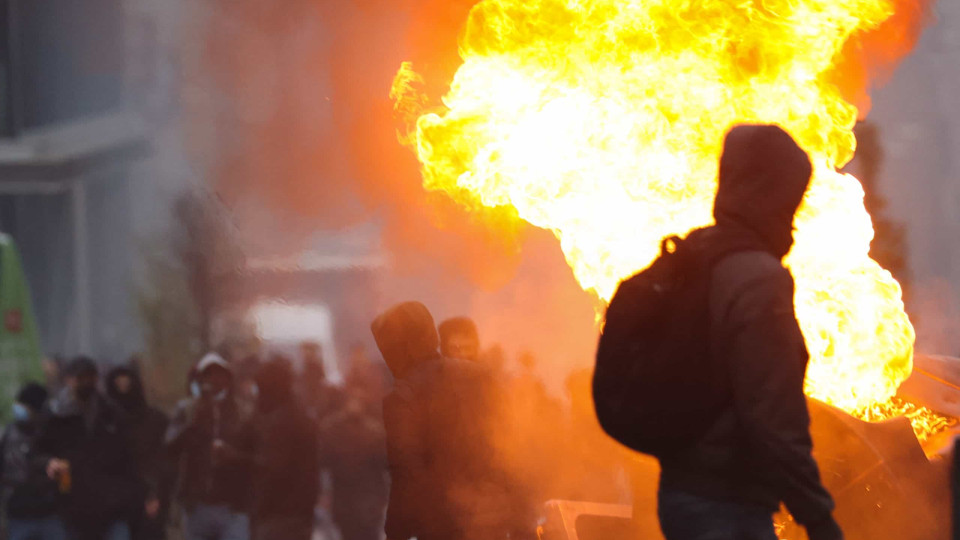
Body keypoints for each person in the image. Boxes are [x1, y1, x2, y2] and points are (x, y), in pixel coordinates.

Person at [655, 125, 842, 540]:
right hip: (728, 504)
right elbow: (772, 413)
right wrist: (818, 516)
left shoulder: (697, 256)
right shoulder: (756, 278)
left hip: (679, 492)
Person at [373, 302, 531, 540]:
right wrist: (521, 522)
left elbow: (407, 474)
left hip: (443, 526)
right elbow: (510, 451)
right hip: (494, 521)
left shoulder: (403, 397)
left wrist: (396, 533)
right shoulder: (481, 376)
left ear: (398, 348)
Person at [41, 357, 141, 540]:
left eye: (90, 377)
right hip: (72, 509)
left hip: (112, 509)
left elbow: (130, 458)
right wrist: (49, 463)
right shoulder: (54, 414)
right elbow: (38, 451)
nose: (86, 383)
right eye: (81, 378)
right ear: (69, 380)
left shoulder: (110, 412)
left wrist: (128, 496)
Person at [165, 353, 253, 540]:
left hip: (232, 506)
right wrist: (194, 419)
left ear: (229, 380)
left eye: (220, 375)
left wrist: (232, 455)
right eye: (209, 375)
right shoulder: (186, 409)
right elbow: (170, 446)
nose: (214, 381)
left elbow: (254, 455)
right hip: (197, 505)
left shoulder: (243, 411)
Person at [319, 347, 389, 540]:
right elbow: (324, 462)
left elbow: (385, 463)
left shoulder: (373, 428)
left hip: (363, 499)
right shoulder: (333, 428)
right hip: (351, 498)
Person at [249, 357, 320, 540]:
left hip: (279, 517)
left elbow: (273, 468)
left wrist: (235, 457)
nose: (258, 395)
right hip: (299, 516)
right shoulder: (301, 416)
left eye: (261, 388)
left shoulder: (282, 423)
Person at [106, 366, 171, 540]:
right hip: (115, 506)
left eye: (126, 383)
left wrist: (154, 493)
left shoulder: (156, 420)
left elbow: (164, 460)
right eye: (118, 384)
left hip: (149, 501)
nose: (123, 389)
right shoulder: (103, 424)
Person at [0, 383, 67, 540]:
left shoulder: (51, 433)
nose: (19, 409)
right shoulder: (7, 435)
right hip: (17, 516)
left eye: (25, 406)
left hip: (50, 514)